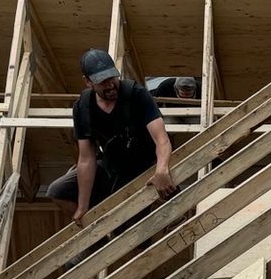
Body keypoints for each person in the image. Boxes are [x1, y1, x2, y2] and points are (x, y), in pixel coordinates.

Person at [38, 49, 175, 221]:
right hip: (112, 167)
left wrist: (161, 170)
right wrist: (83, 207)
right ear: (87, 82)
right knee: (58, 191)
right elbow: (86, 158)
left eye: (112, 78)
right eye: (102, 81)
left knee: (126, 231)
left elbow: (161, 139)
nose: (110, 85)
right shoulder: (83, 107)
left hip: (143, 168)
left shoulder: (135, 94)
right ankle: (97, 241)